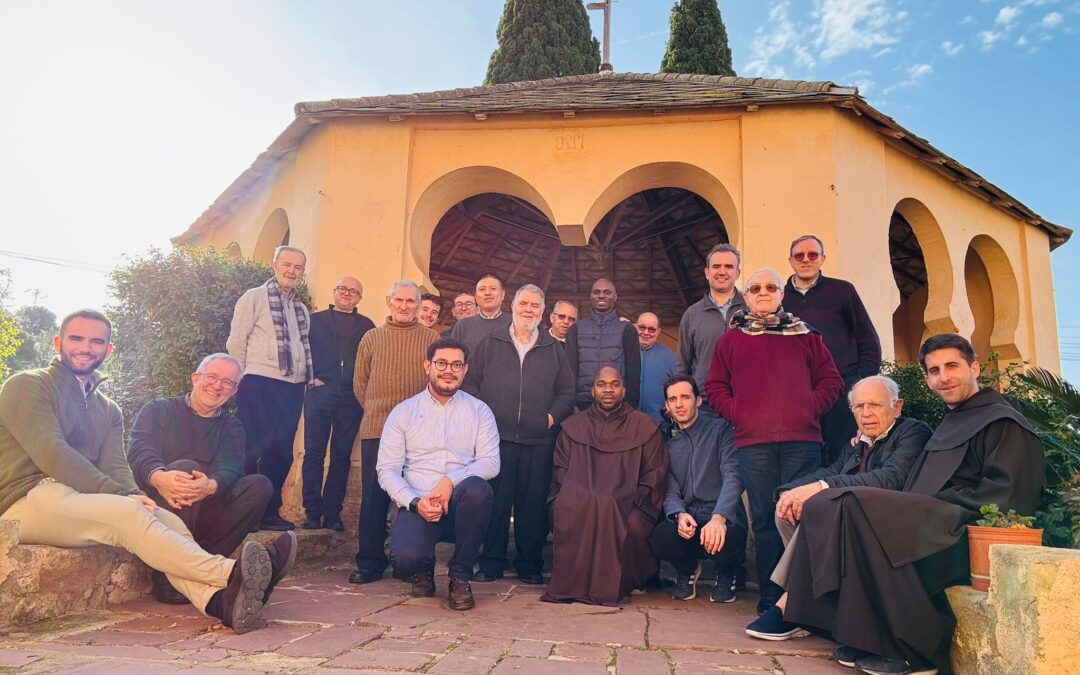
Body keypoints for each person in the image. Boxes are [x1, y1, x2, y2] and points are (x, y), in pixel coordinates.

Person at [747, 335, 1044, 675]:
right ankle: (841, 624)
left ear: (974, 367)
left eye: (951, 366)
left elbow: (1007, 500)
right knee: (833, 503)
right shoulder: (955, 418)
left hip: (962, 528)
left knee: (852, 503)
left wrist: (927, 507)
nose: (943, 377)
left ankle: (911, 651)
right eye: (934, 370)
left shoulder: (1002, 421)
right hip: (932, 515)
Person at [0, 310, 294, 633]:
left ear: (108, 350)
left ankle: (219, 602)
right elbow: (53, 453)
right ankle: (230, 573)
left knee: (168, 521)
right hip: (26, 499)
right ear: (58, 342)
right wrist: (124, 497)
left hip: (79, 497)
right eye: (76, 338)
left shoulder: (107, 409)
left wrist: (137, 496)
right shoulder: (27, 385)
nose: (86, 347)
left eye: (96, 341)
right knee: (129, 514)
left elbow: (115, 464)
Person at [704, 269, 844, 614]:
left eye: (770, 288)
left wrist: (808, 408)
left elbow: (831, 381)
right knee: (765, 521)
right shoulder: (730, 341)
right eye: (755, 288)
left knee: (800, 517)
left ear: (782, 295)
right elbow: (714, 388)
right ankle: (771, 596)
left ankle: (803, 597)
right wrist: (739, 412)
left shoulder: (806, 336)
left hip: (803, 442)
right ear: (746, 297)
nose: (763, 293)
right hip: (754, 445)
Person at [747, 375, 932, 632]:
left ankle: (790, 604)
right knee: (786, 511)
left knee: (820, 511)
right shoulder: (858, 443)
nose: (866, 414)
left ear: (897, 406)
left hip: (887, 524)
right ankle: (813, 596)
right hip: (849, 516)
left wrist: (820, 488)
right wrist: (789, 491)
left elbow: (892, 477)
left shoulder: (912, 431)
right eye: (859, 407)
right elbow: (831, 471)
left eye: (875, 405)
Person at [127, 353, 275, 605]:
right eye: (212, 377)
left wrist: (209, 486)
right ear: (195, 378)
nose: (217, 386)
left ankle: (202, 565)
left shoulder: (232, 426)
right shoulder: (159, 410)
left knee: (260, 485)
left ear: (234, 391)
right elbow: (140, 451)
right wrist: (159, 477)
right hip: (160, 511)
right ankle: (168, 577)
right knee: (185, 468)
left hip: (207, 508)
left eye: (227, 383)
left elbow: (230, 468)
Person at [377, 338, 500, 611]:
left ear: (465, 370)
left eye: (456, 364)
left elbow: (491, 462)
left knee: (479, 491)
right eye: (441, 363)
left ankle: (460, 575)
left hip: (460, 504)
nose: (449, 370)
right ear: (427, 366)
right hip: (418, 501)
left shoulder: (480, 411)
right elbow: (386, 469)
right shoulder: (403, 412)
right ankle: (422, 567)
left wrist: (449, 481)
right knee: (404, 561)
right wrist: (413, 501)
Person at [464, 285, 575, 584]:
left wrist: (549, 419)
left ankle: (529, 564)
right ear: (512, 305)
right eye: (524, 303)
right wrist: (483, 421)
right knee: (497, 503)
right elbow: (471, 385)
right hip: (496, 440)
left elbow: (567, 392)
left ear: (542, 312)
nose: (528, 310)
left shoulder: (554, 349)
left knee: (532, 504)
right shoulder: (490, 342)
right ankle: (491, 561)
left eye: (535, 306)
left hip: (539, 441)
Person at [542, 366, 668, 606]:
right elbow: (561, 472)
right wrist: (588, 495)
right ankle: (576, 584)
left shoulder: (646, 427)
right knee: (570, 509)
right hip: (579, 498)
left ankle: (627, 581)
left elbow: (655, 476)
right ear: (592, 390)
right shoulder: (572, 427)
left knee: (632, 523)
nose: (608, 389)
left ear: (624, 389)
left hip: (632, 503)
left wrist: (622, 498)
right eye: (602, 384)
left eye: (614, 384)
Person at [350, 280, 439, 584]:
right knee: (374, 498)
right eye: (398, 300)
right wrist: (382, 415)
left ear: (418, 305)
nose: (404, 306)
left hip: (420, 433)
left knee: (415, 495)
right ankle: (370, 562)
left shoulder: (432, 338)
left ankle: (414, 562)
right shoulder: (371, 338)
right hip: (377, 427)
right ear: (388, 301)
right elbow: (360, 383)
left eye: (410, 301)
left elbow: (439, 380)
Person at [226, 245, 311, 531]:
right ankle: (245, 511)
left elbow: (302, 346)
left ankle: (270, 512)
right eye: (286, 264)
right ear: (275, 265)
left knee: (281, 450)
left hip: (293, 385)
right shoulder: (254, 298)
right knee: (251, 446)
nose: (292, 271)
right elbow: (236, 341)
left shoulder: (301, 309)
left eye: (298, 267)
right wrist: (239, 378)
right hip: (259, 381)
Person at [782, 235, 882, 466]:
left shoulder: (842, 291)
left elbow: (868, 340)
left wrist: (857, 384)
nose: (806, 260)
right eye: (799, 255)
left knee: (846, 456)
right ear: (791, 260)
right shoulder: (780, 299)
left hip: (841, 392)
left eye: (812, 254)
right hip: (800, 397)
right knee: (805, 458)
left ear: (822, 258)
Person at [649, 375, 747, 603]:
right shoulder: (669, 444)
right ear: (667, 406)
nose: (679, 404)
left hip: (720, 516)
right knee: (661, 538)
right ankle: (687, 571)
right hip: (691, 517)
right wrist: (679, 514)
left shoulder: (721, 430)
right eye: (673, 399)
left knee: (729, 536)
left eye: (685, 397)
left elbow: (733, 474)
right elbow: (670, 488)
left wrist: (719, 517)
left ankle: (726, 573)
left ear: (698, 400)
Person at [301, 277, 375, 531]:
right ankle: (312, 511)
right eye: (343, 289)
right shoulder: (316, 320)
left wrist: (362, 391)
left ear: (359, 298)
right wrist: (310, 379)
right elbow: (302, 351)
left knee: (341, 457)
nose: (347, 294)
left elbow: (371, 361)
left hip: (350, 397)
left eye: (354, 291)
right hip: (320, 393)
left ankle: (332, 513)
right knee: (314, 454)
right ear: (334, 292)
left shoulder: (367, 326)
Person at [676, 243, 746, 410]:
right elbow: (682, 365)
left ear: (737, 273)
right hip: (705, 406)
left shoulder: (751, 309)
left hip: (746, 402)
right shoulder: (692, 314)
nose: (722, 271)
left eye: (729, 266)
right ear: (707, 272)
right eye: (716, 266)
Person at [565, 278, 641, 410]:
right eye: (596, 292)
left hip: (618, 406)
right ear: (590, 296)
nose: (601, 295)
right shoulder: (576, 329)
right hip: (583, 405)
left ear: (615, 297)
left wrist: (631, 406)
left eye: (607, 292)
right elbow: (568, 372)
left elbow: (634, 371)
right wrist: (570, 405)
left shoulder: (627, 329)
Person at [451, 273, 511, 353]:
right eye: (482, 289)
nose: (487, 293)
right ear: (476, 297)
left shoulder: (514, 323)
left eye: (493, 288)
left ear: (502, 294)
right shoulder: (463, 325)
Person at [636, 312, 676, 423]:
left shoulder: (670, 357)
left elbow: (680, 388)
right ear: (635, 327)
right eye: (642, 327)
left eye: (651, 329)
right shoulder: (623, 353)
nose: (646, 332)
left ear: (658, 332)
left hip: (659, 425)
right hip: (627, 426)